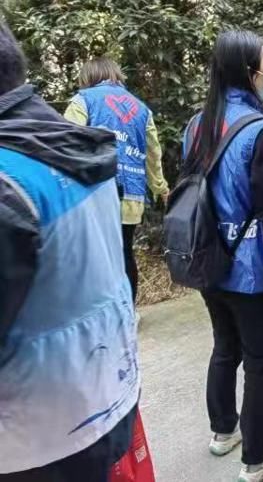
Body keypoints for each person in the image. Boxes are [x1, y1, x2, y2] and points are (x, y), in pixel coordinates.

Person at [0, 23, 139, 479]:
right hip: (104, 396)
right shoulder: (72, 142)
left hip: (32, 442)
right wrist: (155, 186)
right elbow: (152, 150)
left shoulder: (15, 172)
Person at [182, 30, 263, 482]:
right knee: (260, 363)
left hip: (207, 261)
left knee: (224, 348)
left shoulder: (196, 125)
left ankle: (224, 432)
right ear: (250, 72)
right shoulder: (261, 133)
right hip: (251, 273)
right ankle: (257, 459)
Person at [64, 58, 169, 310]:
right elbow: (153, 154)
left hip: (96, 192)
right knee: (124, 252)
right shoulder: (142, 110)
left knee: (97, 256)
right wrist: (161, 187)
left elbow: (66, 141)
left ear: (89, 77)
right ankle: (128, 313)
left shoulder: (84, 100)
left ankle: (101, 313)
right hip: (132, 193)